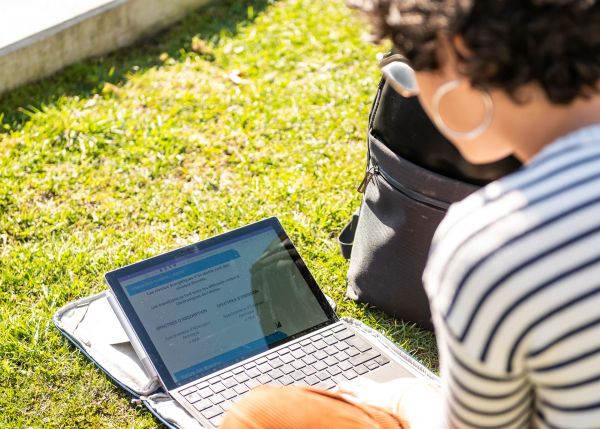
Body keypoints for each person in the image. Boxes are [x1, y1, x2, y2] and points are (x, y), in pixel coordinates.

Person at [221, 0, 600, 427]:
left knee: (259, 413)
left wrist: (407, 397)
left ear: (456, 53)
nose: (413, 89)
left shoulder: (495, 239)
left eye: (407, 67)